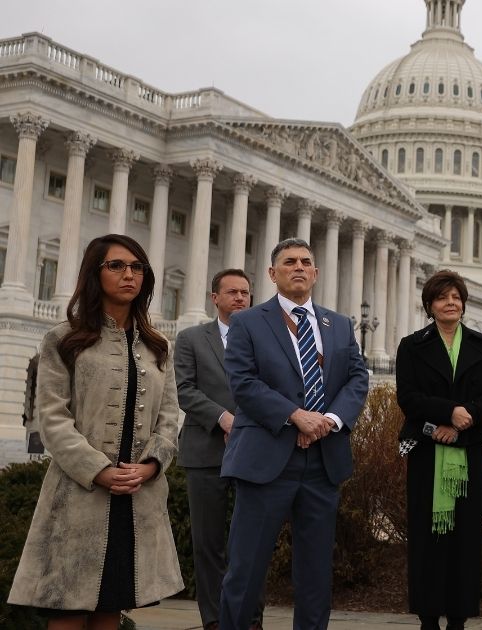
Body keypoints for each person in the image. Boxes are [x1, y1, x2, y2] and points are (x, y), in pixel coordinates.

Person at [7, 234, 183, 628]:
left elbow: (170, 417)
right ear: (94, 273)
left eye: (137, 268)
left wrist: (152, 465)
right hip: (78, 496)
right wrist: (99, 470)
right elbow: (52, 418)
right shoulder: (63, 339)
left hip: (137, 499)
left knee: (110, 611)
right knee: (68, 611)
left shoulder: (159, 348)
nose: (129, 275)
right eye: (116, 266)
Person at [218, 238, 369, 630]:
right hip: (266, 461)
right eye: (289, 262)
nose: (298, 267)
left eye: (305, 262)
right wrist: (294, 416)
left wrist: (329, 421)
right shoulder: (247, 322)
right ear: (272, 274)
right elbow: (243, 383)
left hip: (323, 464)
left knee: (316, 574)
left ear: (316, 273)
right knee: (246, 569)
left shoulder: (339, 325)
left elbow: (356, 377)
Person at [395, 269, 482, 630]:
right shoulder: (412, 346)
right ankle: (428, 619)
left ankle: (458, 619)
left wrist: (467, 416)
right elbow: (408, 396)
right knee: (427, 540)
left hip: (469, 449)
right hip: (428, 450)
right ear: (430, 304)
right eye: (443, 297)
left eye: (456, 297)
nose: (451, 303)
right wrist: (446, 414)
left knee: (464, 540)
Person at [174, 268, 264, 630]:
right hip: (205, 451)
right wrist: (225, 419)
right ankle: (213, 620)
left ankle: (251, 618)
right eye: (232, 292)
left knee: (252, 543)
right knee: (208, 543)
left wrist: (246, 424)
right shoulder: (191, 338)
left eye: (245, 292)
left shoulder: (265, 341)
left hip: (255, 452)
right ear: (215, 298)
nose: (240, 298)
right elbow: (185, 390)